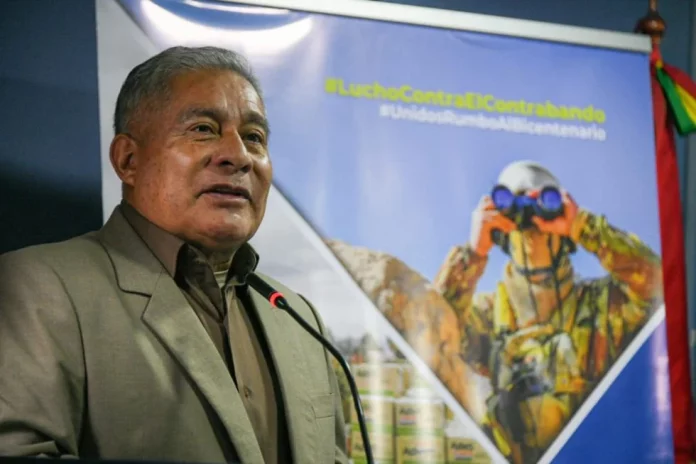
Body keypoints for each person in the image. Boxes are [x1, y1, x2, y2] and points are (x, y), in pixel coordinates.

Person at [0, 46, 348, 464]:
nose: (238, 156)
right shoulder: (38, 288)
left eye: (254, 137)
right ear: (128, 160)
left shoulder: (299, 317)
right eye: (203, 129)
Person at [433, 160, 662, 464]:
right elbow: (432, 336)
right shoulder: (487, 315)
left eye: (541, 207)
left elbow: (657, 284)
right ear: (502, 233)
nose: (532, 227)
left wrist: (583, 226)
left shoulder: (602, 306)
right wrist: (473, 253)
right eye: (517, 211)